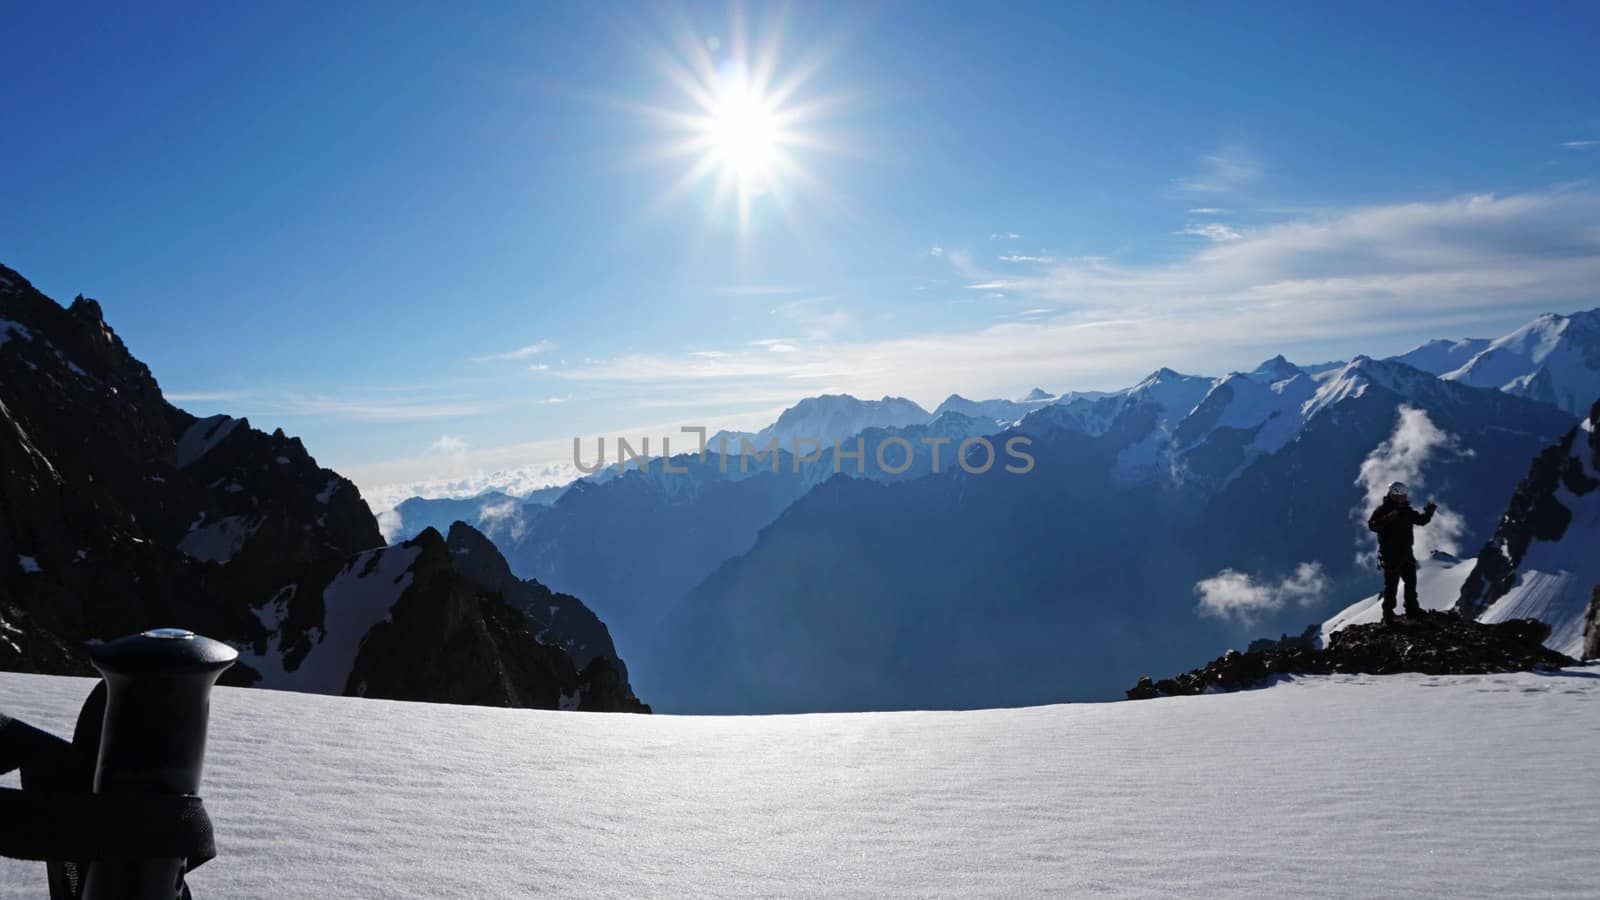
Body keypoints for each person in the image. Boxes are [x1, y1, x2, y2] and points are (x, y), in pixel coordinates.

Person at [1367, 482, 1437, 623]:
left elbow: (1421, 520)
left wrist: (1429, 512)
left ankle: (1412, 611)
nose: (1404, 498)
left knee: (1411, 582)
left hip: (1406, 552)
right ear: (1394, 495)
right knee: (1391, 586)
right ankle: (1388, 616)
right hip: (1390, 554)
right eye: (1402, 495)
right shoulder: (1383, 510)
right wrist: (1389, 517)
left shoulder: (1406, 511)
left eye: (1405, 495)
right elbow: (1373, 525)